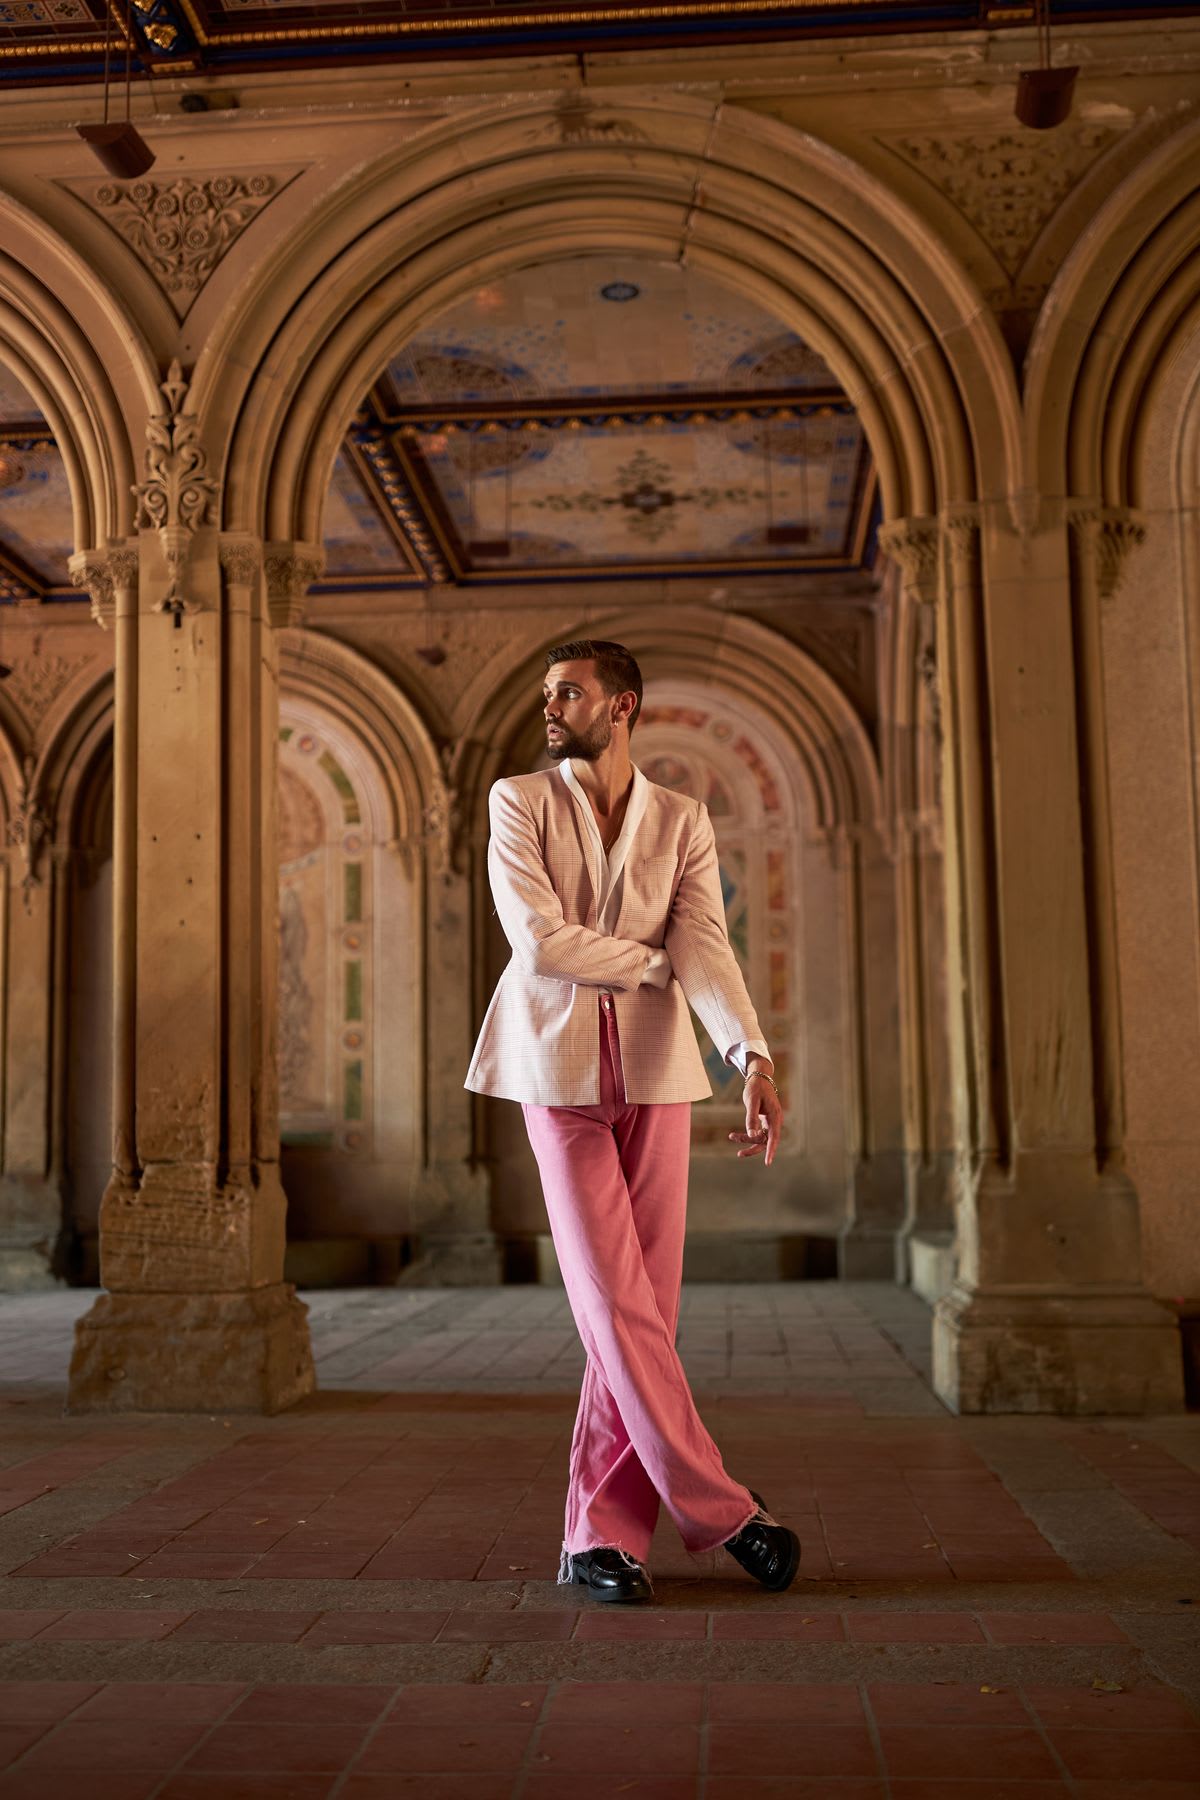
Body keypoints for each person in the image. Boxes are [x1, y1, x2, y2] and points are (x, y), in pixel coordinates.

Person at [465, 639, 800, 1603]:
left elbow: (704, 940)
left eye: (567, 691)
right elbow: (535, 941)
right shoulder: (516, 802)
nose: (549, 706)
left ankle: (598, 1540)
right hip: (551, 1069)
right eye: (545, 694)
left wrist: (752, 1054)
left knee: (646, 1314)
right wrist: (648, 965)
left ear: (623, 706)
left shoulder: (682, 818)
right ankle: (725, 1510)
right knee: (613, 1302)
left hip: (655, 1073)